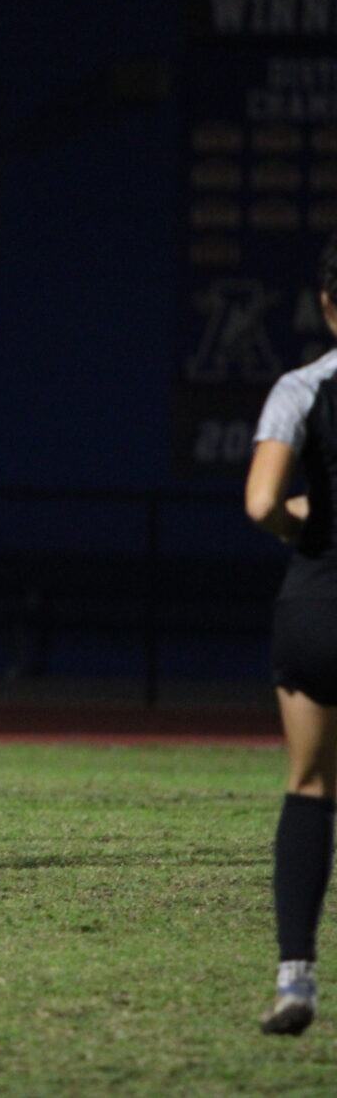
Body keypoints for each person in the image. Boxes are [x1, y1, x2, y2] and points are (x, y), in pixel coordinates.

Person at [245, 233, 337, 1036]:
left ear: (329, 307)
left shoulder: (302, 387)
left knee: (309, 785)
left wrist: (309, 517)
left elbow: (262, 502)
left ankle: (296, 979)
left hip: (318, 607)